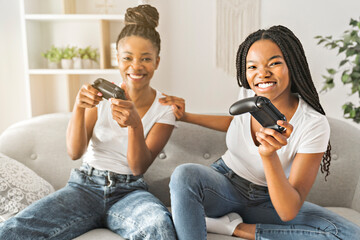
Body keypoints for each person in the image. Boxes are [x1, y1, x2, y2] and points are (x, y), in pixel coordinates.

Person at [159, 25, 360, 239]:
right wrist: (187, 116)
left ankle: (233, 227)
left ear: (292, 65)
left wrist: (269, 155)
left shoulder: (313, 123)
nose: (262, 74)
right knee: (185, 174)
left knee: (349, 234)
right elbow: (236, 123)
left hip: (269, 200)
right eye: (252, 66)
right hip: (223, 187)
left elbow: (287, 210)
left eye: (274, 63)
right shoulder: (250, 91)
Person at [0, 4, 177, 240]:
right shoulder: (101, 97)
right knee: (12, 230)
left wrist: (135, 125)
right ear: (117, 59)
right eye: (127, 58)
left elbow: (138, 167)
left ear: (157, 61)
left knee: (160, 228)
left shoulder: (164, 110)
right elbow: (74, 152)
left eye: (146, 58)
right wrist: (78, 106)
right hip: (84, 187)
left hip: (130, 193)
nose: (136, 66)